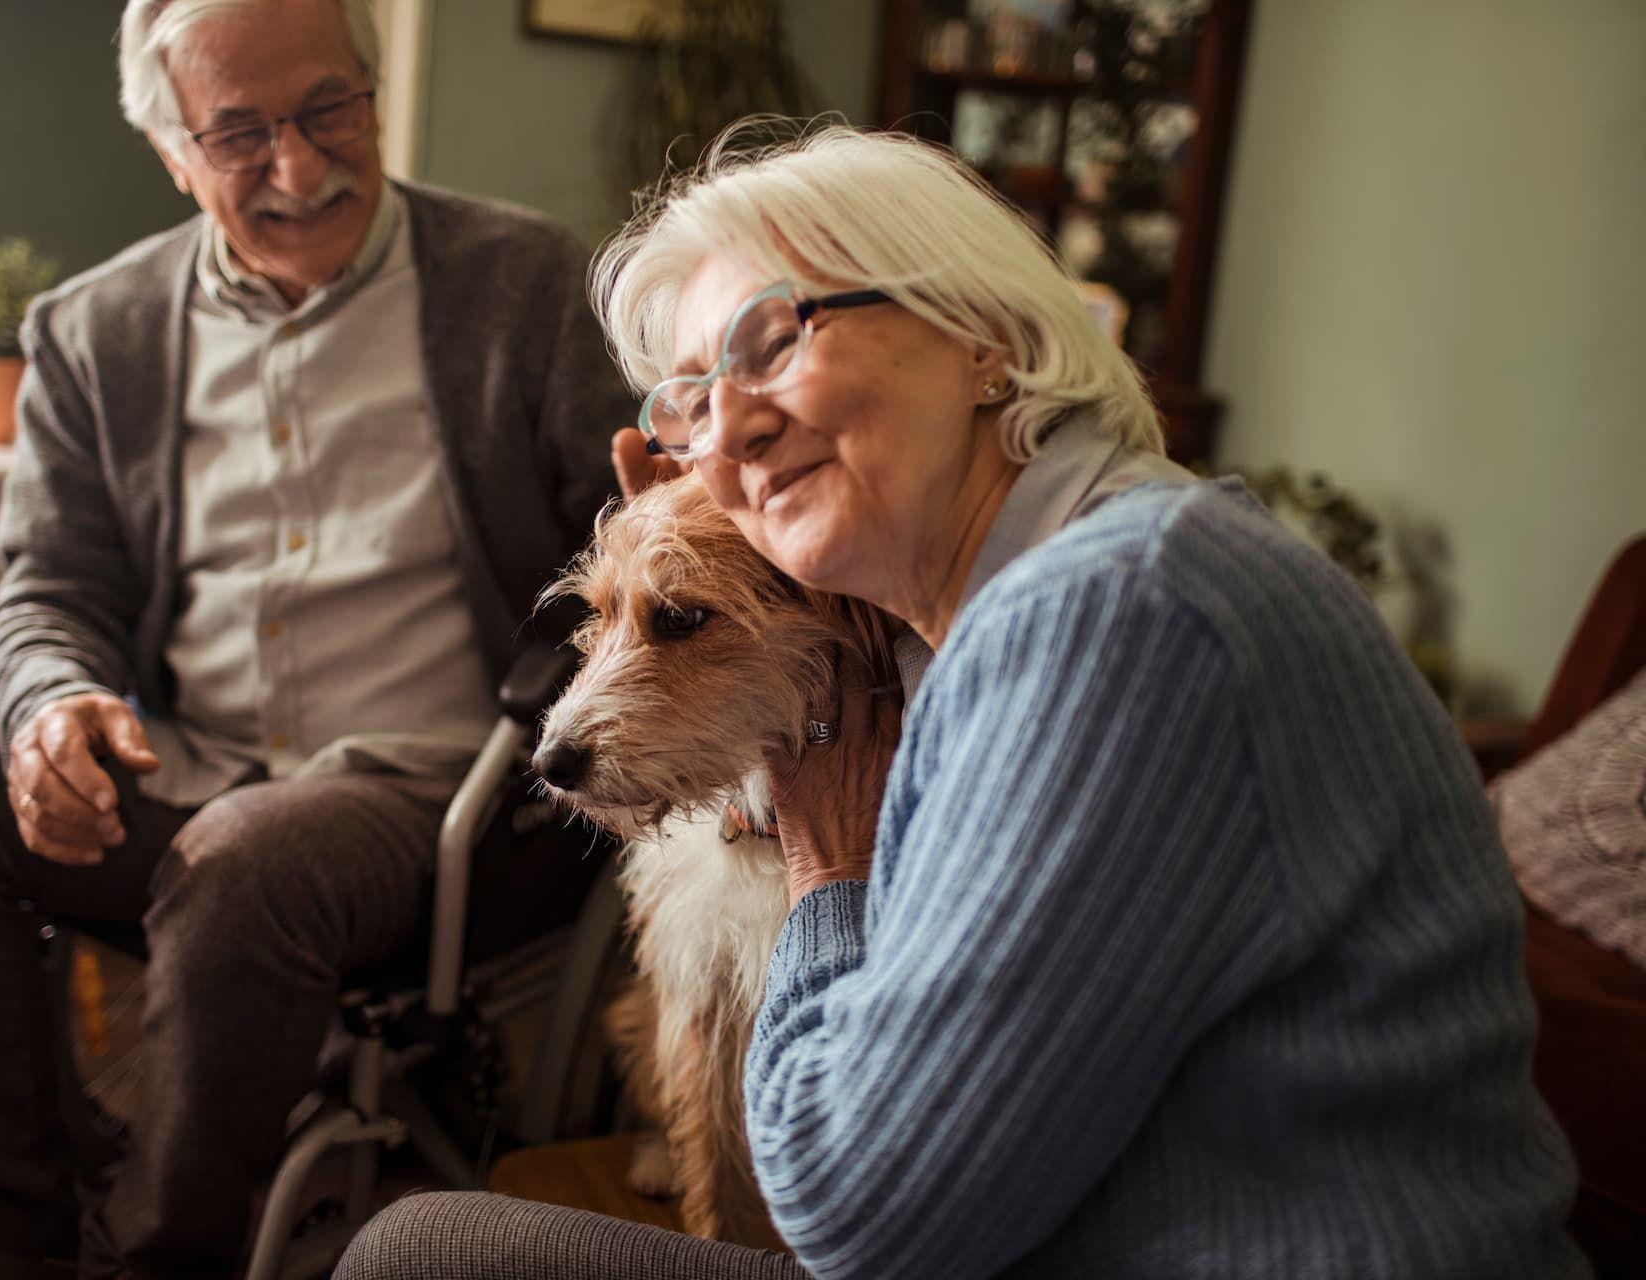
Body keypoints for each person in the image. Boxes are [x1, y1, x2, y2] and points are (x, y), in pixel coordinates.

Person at [338, 124, 1591, 1279]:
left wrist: (832, 869)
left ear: (983, 332)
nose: (730, 427)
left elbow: (860, 1218)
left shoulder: (1115, 615)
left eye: (772, 341)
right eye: (690, 398)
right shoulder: (1039, 590)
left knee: (421, 1253)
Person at [0, 1, 630, 1276]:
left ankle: (157, 1258)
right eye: (242, 134)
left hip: (441, 805)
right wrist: (49, 702)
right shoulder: (96, 331)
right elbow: (47, 589)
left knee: (250, 858)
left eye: (329, 109)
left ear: (373, 91)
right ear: (171, 151)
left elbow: (626, 542)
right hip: (187, 768)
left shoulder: (525, 284)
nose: (301, 168)